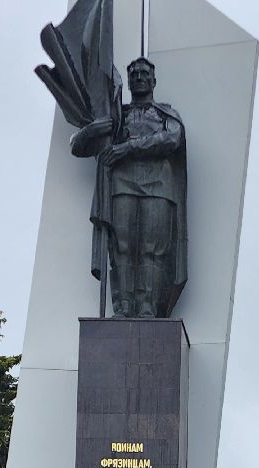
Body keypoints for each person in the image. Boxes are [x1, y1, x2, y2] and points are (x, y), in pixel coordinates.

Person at [70, 56, 187, 319]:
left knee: (152, 249)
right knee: (121, 247)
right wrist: (95, 128)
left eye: (145, 74)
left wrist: (128, 147)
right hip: (122, 185)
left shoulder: (165, 113)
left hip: (158, 186)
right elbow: (77, 146)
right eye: (134, 74)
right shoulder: (116, 116)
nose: (139, 78)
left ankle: (148, 309)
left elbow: (173, 138)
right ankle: (122, 308)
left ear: (154, 80)